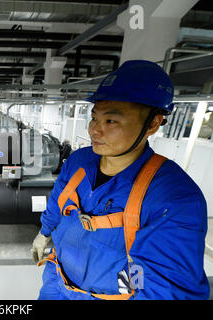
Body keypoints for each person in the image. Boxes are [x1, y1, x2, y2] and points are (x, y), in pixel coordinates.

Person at [31, 60, 209, 300]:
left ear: (153, 124)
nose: (95, 130)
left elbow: (162, 289)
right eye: (94, 117)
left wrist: (129, 290)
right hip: (56, 281)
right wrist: (44, 232)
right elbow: (58, 201)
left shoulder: (172, 197)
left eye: (111, 121)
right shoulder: (79, 161)